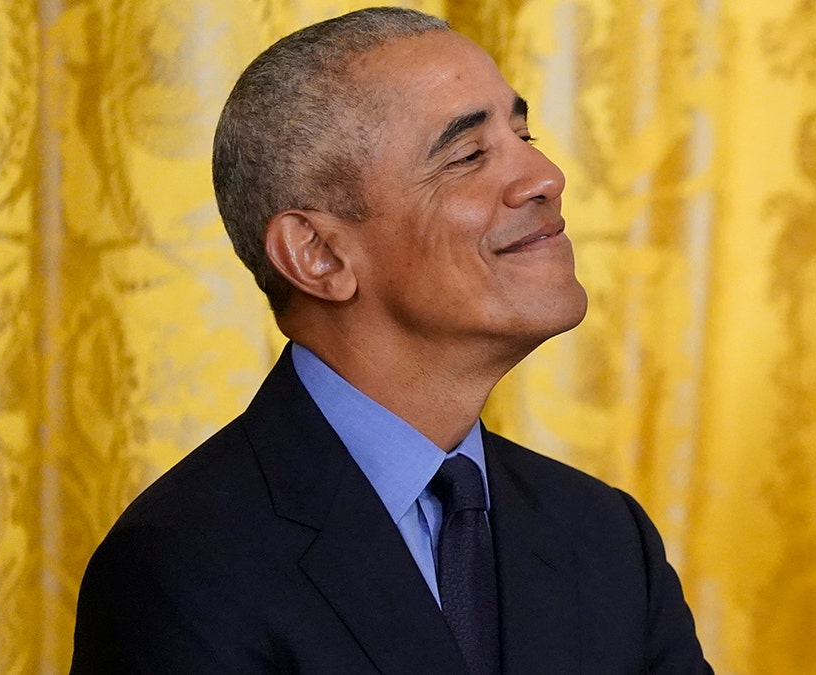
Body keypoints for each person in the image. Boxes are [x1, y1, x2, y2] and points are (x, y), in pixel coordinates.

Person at [71, 7, 710, 674]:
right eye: (469, 154)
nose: (545, 176)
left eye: (525, 133)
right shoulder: (181, 564)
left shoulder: (605, 536)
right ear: (318, 253)